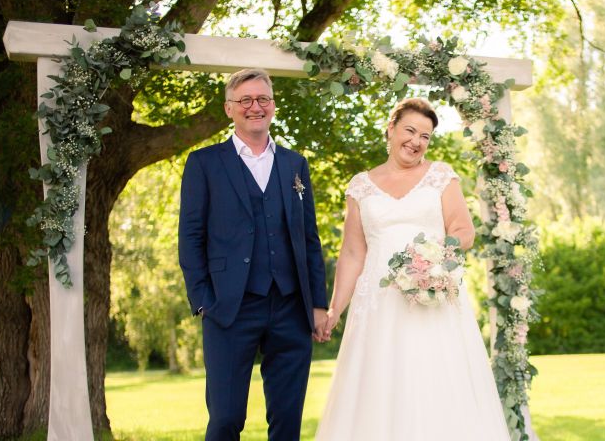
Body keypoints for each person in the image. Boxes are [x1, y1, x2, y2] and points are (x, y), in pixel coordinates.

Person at [315, 98, 511, 440]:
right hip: (378, 305)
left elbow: (464, 231)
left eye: (426, 136)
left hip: (432, 297)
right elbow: (351, 253)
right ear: (390, 129)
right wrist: (335, 309)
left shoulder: (440, 176)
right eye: (410, 130)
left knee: (435, 377)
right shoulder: (360, 185)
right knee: (379, 383)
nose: (416, 141)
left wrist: (433, 258)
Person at [178, 68, 329, 441]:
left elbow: (309, 238)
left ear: (273, 106)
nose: (255, 106)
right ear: (230, 108)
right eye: (245, 100)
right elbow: (190, 236)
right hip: (229, 307)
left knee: (287, 419)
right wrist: (202, 301)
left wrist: (318, 303)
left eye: (262, 99)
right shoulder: (204, 163)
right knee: (226, 418)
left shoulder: (295, 164)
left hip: (291, 306)